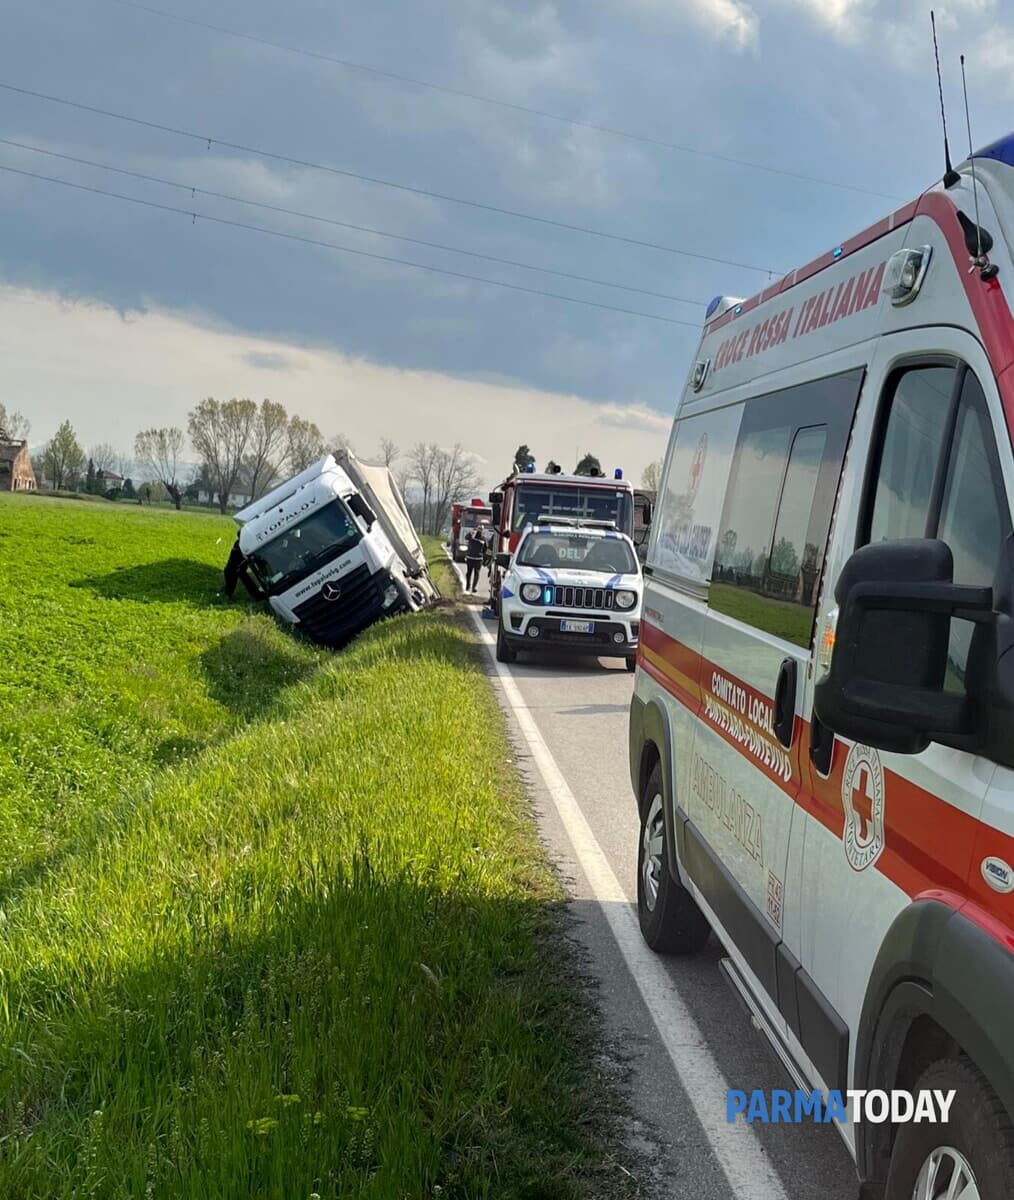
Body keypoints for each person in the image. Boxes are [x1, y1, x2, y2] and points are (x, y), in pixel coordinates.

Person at [464, 522, 486, 593]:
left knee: (477, 573)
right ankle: (467, 585)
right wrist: (471, 533)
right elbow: (466, 537)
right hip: (470, 557)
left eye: (481, 529)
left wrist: (484, 556)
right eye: (479, 528)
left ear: (483, 530)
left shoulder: (483, 538)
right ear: (477, 528)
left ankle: (474, 587)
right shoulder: (472, 535)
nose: (480, 530)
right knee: (469, 572)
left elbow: (486, 548)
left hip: (478, 559)